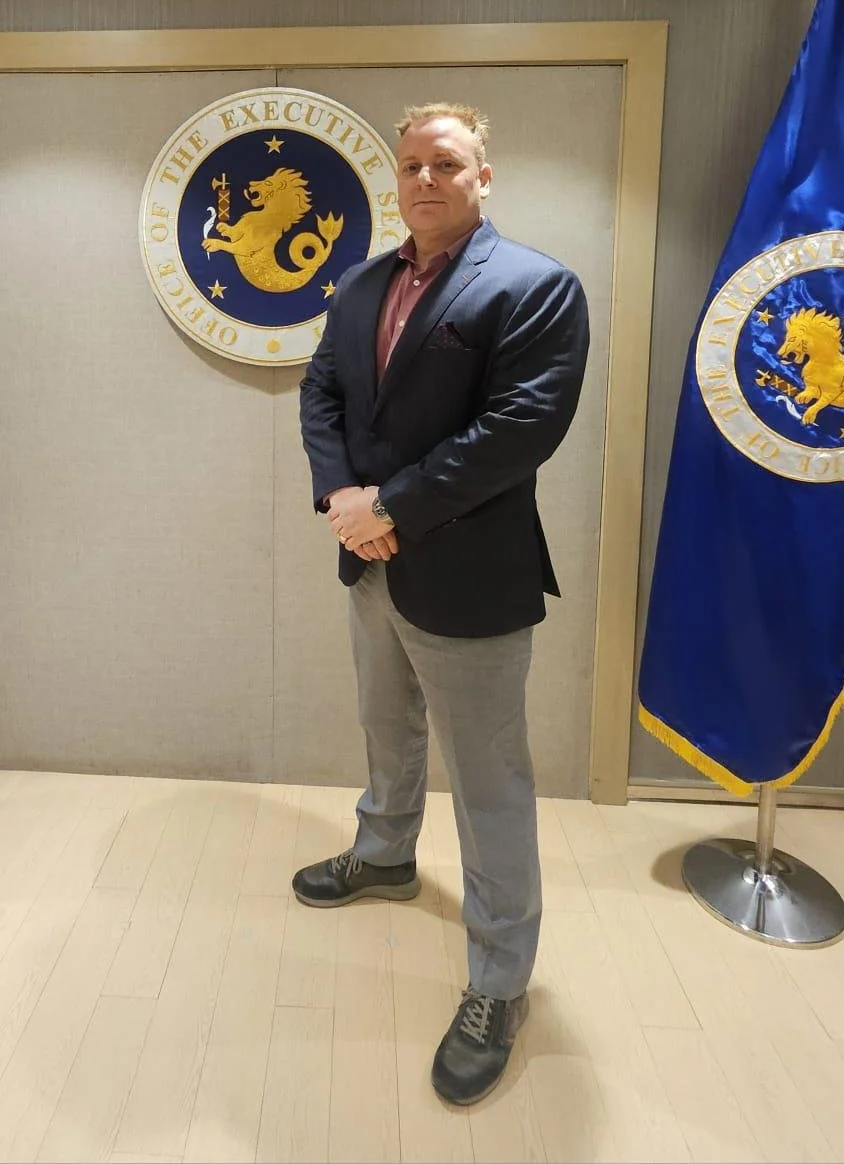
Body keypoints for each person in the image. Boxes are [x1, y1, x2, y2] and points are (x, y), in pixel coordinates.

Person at [295, 101, 589, 1105]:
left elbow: (518, 430)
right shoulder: (359, 283)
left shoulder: (535, 286)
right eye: (412, 163)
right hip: (371, 561)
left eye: (447, 163)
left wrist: (389, 507)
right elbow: (322, 394)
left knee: (489, 780)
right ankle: (384, 854)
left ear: (482, 176)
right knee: (386, 726)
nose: (426, 178)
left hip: (468, 571)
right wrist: (343, 498)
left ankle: (499, 982)